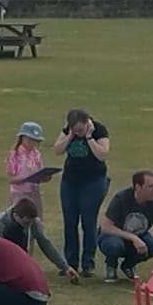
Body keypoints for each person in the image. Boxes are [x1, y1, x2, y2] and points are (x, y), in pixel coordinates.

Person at [53, 108, 111, 276]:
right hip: (70, 182)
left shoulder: (99, 130)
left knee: (88, 221)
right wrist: (70, 136)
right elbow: (57, 149)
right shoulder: (69, 131)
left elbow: (102, 154)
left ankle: (88, 263)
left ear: (87, 123)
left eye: (81, 129)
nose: (79, 132)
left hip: (93, 182)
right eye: (75, 129)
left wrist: (89, 137)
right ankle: (70, 263)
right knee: (69, 222)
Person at [98, 169, 153, 281]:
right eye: (150, 186)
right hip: (113, 235)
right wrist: (133, 237)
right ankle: (111, 265)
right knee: (114, 246)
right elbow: (105, 227)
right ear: (137, 187)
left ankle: (128, 265)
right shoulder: (121, 198)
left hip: (138, 235)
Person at [0, 196, 76, 280]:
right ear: (16, 216)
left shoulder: (33, 222)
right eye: (26, 222)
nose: (29, 225)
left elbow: (45, 244)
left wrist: (65, 267)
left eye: (31, 222)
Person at [5, 120, 57, 209]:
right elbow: (11, 179)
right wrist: (25, 177)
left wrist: (45, 176)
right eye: (30, 139)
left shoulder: (36, 154)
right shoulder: (15, 154)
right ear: (22, 137)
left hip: (34, 193)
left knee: (36, 215)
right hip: (18, 194)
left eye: (35, 140)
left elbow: (40, 171)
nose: (33, 143)